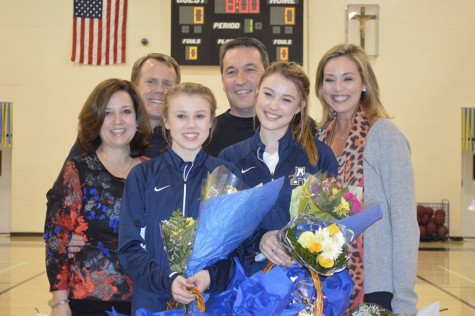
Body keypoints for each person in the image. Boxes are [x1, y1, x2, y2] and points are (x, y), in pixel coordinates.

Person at [194, 61, 339, 280]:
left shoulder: (319, 156)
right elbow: (220, 234)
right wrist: (260, 239)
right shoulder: (229, 158)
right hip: (247, 289)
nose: (273, 106)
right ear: (257, 94)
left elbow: (334, 228)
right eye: (268, 94)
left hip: (305, 287)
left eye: (286, 100)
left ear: (300, 106)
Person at [118, 82, 240, 314]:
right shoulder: (143, 176)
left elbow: (236, 248)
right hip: (153, 302)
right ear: (166, 120)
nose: (191, 125)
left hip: (210, 302)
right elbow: (130, 248)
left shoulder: (225, 175)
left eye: (200, 116)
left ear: (211, 122)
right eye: (181, 115)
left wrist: (210, 276)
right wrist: (168, 279)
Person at [315, 43, 418, 315]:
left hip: (374, 284)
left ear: (364, 84)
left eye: (348, 78)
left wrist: (405, 301)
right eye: (330, 79)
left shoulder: (384, 135)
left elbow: (405, 222)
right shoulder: (318, 138)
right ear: (321, 87)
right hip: (328, 283)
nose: (338, 88)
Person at [44, 79, 151, 316]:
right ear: (96, 119)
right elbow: (56, 238)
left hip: (147, 298)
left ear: (137, 118)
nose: (118, 121)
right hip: (91, 298)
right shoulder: (78, 170)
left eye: (126, 111)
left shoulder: (151, 171)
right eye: (107, 113)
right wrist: (60, 303)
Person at [66, 53, 181, 160]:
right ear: (134, 86)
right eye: (151, 82)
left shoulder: (184, 137)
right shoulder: (107, 131)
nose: (159, 90)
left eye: (167, 84)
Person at [204, 37, 269, 157]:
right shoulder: (204, 135)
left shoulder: (298, 129)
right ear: (223, 81)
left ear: (267, 76)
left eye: (250, 69)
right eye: (231, 72)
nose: (240, 80)